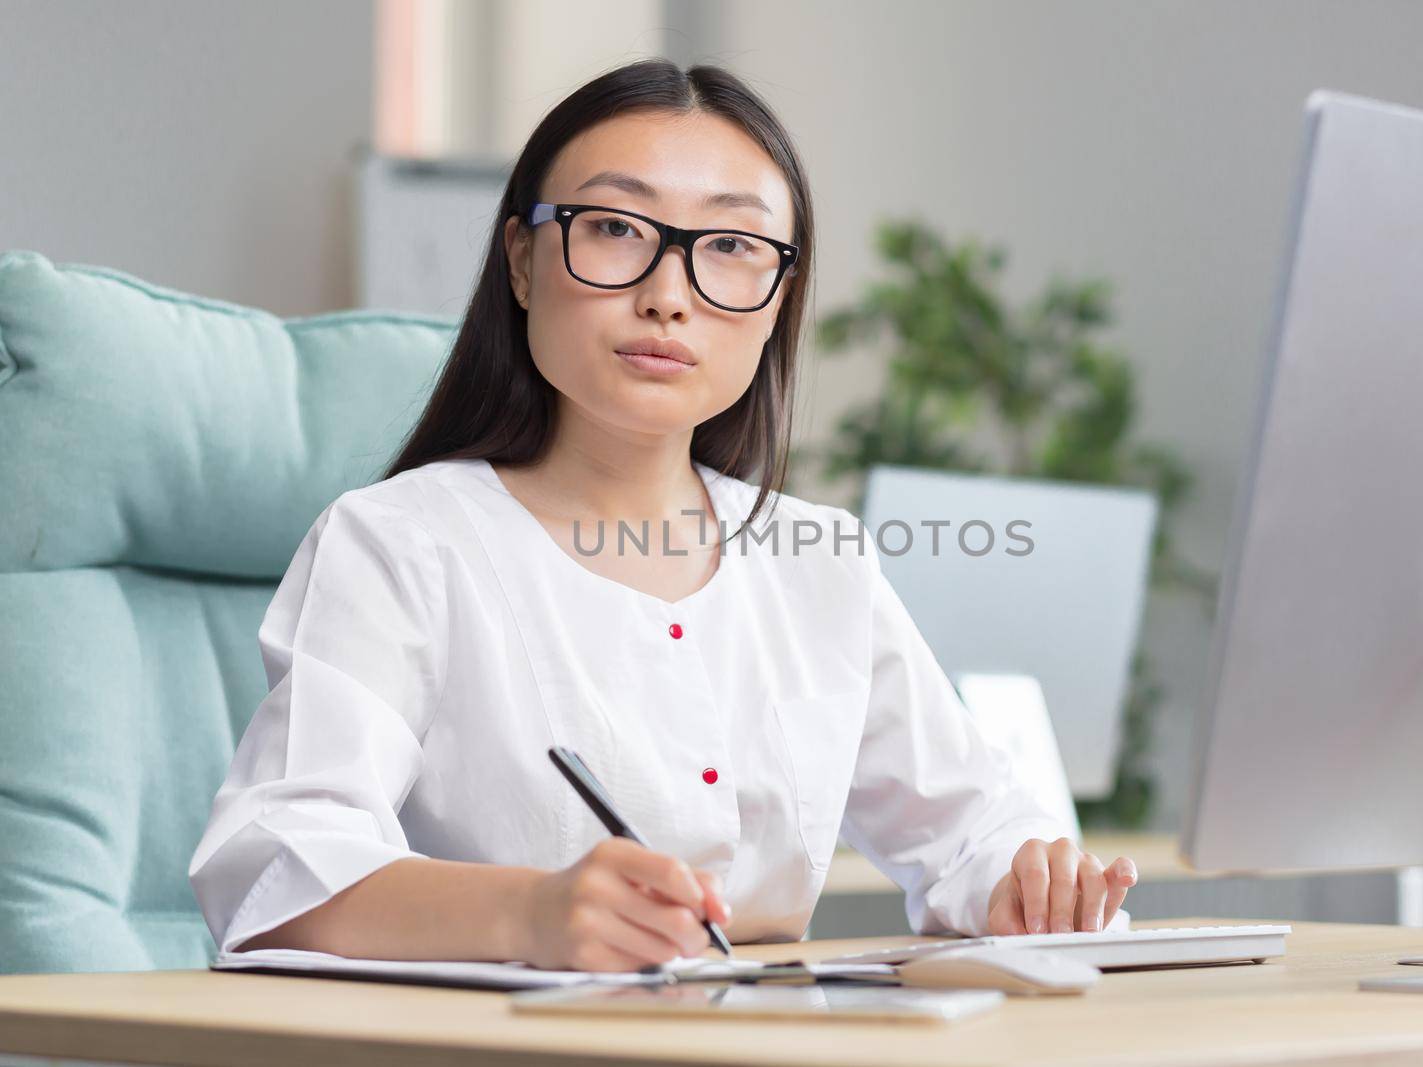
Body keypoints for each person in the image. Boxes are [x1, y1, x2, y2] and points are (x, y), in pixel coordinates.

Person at [188, 57, 1137, 973]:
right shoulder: (400, 543)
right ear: (522, 260)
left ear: (778, 302)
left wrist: (1027, 882)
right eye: (613, 228)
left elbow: (973, 830)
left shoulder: (817, 558)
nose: (668, 296)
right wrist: (531, 912)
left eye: (730, 247)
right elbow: (273, 868)